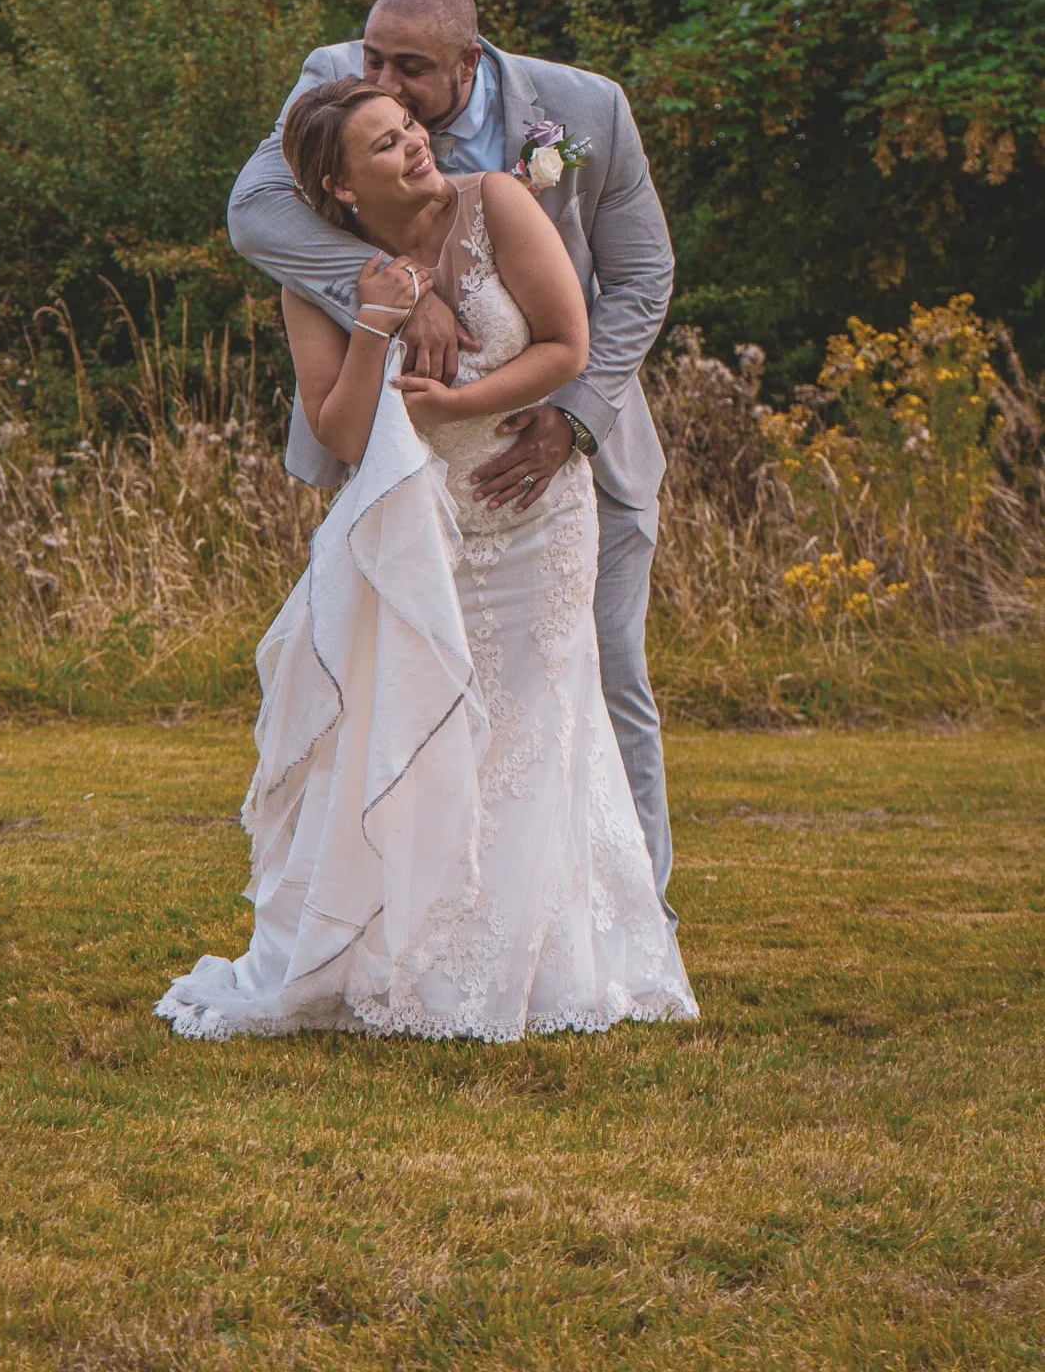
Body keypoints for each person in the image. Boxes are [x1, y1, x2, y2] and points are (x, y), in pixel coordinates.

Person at [154, 78, 695, 1041]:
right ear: (342, 189)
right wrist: (373, 321)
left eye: (410, 129)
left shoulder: (495, 201)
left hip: (535, 519)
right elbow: (345, 430)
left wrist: (458, 407)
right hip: (416, 528)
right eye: (386, 146)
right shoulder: (317, 279)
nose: (414, 149)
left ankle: (534, 967)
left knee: (531, 732)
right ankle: (408, 957)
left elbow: (570, 344)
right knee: (419, 726)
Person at [224, 0, 679, 920]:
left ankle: (629, 911)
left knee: (602, 680)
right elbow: (260, 214)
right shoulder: (335, 87)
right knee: (412, 690)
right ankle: (440, 913)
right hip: (408, 467)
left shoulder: (584, 109)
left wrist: (575, 415)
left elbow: (639, 279)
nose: (379, 77)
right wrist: (394, 285)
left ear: (470, 62)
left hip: (570, 454)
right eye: (372, 55)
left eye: (409, 70)